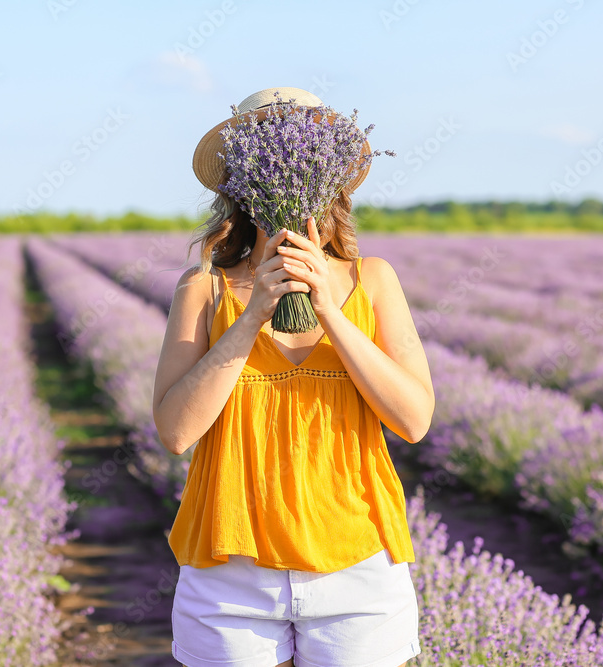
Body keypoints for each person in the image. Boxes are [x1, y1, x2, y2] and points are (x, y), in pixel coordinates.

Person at [152, 87, 434, 667]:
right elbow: (177, 432)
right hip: (229, 568)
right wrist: (251, 315)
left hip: (356, 563)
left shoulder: (374, 279)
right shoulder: (202, 289)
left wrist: (330, 309)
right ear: (241, 188)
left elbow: (414, 420)